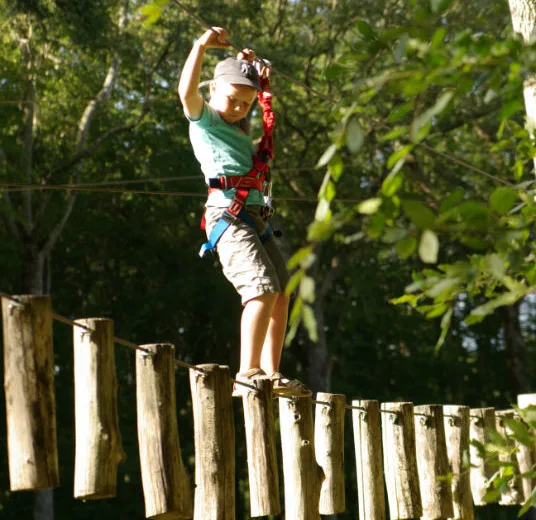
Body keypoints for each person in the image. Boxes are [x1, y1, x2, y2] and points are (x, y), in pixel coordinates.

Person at [178, 27, 310, 397]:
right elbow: (185, 93)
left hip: (254, 219)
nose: (237, 108)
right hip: (228, 217)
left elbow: (250, 103)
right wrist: (200, 45)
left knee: (282, 292)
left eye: (245, 104)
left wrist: (247, 67)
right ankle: (246, 372)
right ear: (214, 90)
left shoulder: (237, 128)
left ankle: (271, 371)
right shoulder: (205, 121)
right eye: (233, 99)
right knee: (261, 289)